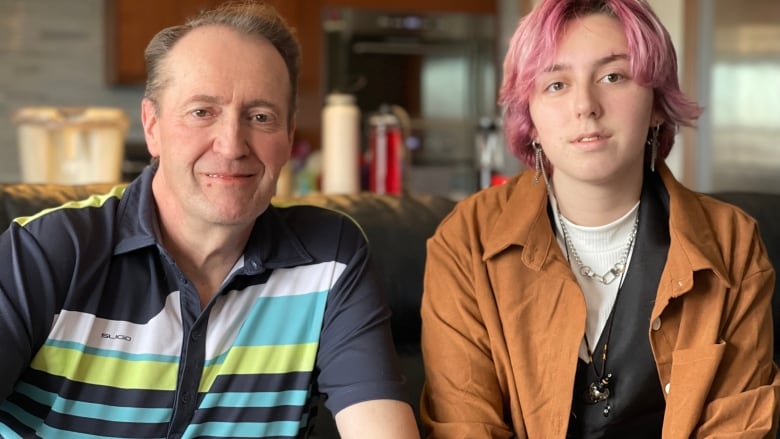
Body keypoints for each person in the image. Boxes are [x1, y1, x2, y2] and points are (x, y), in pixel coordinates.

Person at [0, 2, 420, 438]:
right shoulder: (48, 250)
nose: (232, 144)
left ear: (289, 134)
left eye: (260, 117)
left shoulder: (330, 258)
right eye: (202, 112)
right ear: (152, 126)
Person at [420, 0, 780, 437]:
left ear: (657, 104)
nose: (585, 105)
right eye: (556, 84)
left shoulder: (733, 243)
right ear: (529, 119)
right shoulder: (466, 241)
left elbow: (739, 428)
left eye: (614, 76)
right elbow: (465, 426)